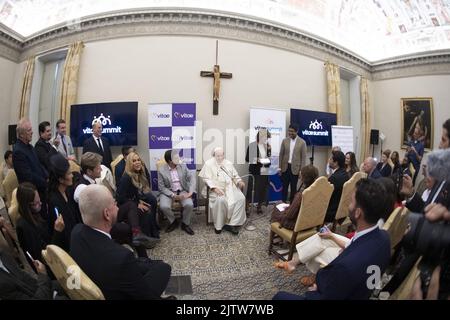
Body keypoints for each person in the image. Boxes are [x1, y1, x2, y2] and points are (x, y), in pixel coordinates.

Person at [273, 178, 391, 300]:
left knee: (278, 296)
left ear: (358, 213)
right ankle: (294, 263)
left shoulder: (344, 268)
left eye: (350, 201)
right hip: (360, 289)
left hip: (339, 289)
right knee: (323, 238)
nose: (348, 205)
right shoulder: (385, 238)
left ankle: (300, 267)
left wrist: (317, 289)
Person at [70, 184, 172, 300]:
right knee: (163, 267)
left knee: (144, 264)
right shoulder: (121, 257)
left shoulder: (76, 233)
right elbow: (144, 295)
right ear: (107, 214)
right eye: (114, 203)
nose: (117, 205)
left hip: (103, 279)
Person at [15, 182, 65, 267]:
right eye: (36, 203)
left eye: (39, 200)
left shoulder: (35, 214)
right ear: (28, 206)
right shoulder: (25, 227)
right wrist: (57, 232)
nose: (40, 204)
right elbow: (45, 255)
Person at [199, 147, 246, 235]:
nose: (220, 158)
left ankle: (233, 224)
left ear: (224, 154)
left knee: (241, 198)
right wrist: (214, 188)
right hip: (215, 190)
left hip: (229, 188)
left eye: (222, 155)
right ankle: (219, 226)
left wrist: (239, 181)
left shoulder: (228, 163)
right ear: (214, 156)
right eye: (218, 156)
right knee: (221, 200)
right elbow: (206, 179)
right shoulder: (209, 164)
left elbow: (235, 175)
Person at [117, 152, 159, 242]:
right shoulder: (126, 177)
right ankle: (145, 239)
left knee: (149, 206)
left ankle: (152, 234)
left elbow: (135, 193)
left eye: (138, 160)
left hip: (133, 201)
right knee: (145, 211)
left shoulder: (139, 173)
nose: (137, 162)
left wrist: (139, 201)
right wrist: (137, 204)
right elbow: (120, 198)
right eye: (134, 161)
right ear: (129, 164)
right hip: (125, 206)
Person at [13, 119, 49, 219]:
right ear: (21, 135)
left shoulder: (29, 146)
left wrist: (47, 176)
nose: (32, 132)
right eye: (29, 130)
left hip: (41, 187)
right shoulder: (18, 152)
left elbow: (39, 165)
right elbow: (28, 176)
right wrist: (45, 182)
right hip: (32, 194)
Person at [47, 154, 82, 251]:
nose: (72, 176)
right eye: (69, 174)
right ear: (60, 179)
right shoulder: (54, 201)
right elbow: (62, 233)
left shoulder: (69, 191)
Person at [158, 150, 195, 235]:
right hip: (168, 192)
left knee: (189, 204)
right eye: (176, 157)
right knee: (163, 206)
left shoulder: (183, 166)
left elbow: (192, 177)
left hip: (182, 190)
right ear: (170, 161)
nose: (179, 158)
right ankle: (173, 221)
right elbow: (161, 187)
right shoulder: (161, 170)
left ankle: (185, 224)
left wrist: (190, 192)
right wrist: (173, 195)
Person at [271, 165, 319, 229]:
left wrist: (286, 209)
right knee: (280, 203)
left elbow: (289, 215)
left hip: (295, 224)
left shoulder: (300, 195)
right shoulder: (317, 192)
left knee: (277, 206)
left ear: (303, 178)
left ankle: (277, 228)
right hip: (310, 224)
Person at [278, 124, 307, 203]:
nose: (290, 133)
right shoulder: (285, 141)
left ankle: (291, 206)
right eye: (289, 131)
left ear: (297, 132)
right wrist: (279, 168)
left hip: (295, 169)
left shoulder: (302, 142)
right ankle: (283, 203)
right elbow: (281, 155)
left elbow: (303, 158)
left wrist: (301, 170)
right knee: (284, 187)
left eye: (292, 131)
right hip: (285, 168)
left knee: (293, 188)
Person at [245, 129, 271, 215]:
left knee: (263, 190)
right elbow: (248, 159)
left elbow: (269, 159)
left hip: (264, 170)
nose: (266, 139)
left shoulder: (267, 146)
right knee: (250, 189)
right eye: (265, 137)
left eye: (267, 138)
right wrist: (258, 160)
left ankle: (259, 207)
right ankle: (247, 207)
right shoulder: (252, 145)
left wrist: (267, 159)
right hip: (255, 171)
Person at [325, 151, 349, 223]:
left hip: (331, 212)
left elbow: (325, 197)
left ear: (336, 163)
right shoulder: (346, 174)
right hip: (341, 210)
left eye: (330, 159)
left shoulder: (334, 178)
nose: (328, 160)